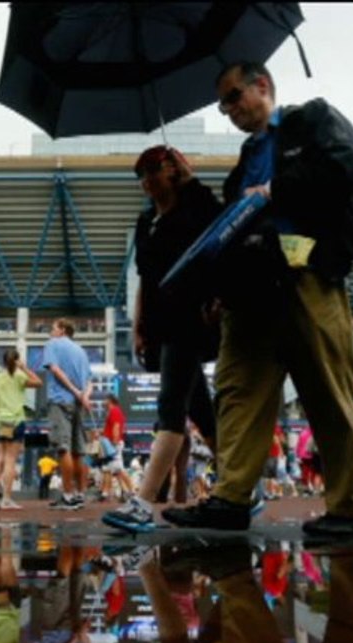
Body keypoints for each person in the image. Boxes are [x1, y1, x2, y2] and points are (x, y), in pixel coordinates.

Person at [164, 61, 353, 537]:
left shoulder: (311, 120)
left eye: (233, 96)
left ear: (262, 85)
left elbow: (349, 164)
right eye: (223, 105)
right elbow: (230, 228)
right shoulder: (242, 165)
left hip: (305, 272)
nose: (229, 110)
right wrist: (216, 289)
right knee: (238, 390)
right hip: (249, 289)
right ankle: (231, 499)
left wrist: (275, 190)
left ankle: (347, 509)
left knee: (326, 389)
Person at [102, 145, 223, 532]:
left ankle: (142, 503)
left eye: (155, 169)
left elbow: (221, 233)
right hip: (161, 325)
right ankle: (243, 487)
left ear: (173, 169)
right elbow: (145, 280)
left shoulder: (195, 208)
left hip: (190, 321)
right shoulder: (146, 222)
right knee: (202, 412)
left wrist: (191, 180)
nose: (148, 180)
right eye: (142, 174)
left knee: (170, 407)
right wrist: (139, 325)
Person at [41, 319, 92, 511]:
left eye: (53, 328)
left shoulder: (52, 344)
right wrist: (84, 396)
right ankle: (80, 494)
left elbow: (54, 369)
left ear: (62, 330)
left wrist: (74, 390)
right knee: (78, 451)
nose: (51, 331)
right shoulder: (81, 351)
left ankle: (68, 495)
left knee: (63, 449)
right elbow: (89, 381)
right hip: (79, 404)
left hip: (60, 400)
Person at [0, 348, 43, 510]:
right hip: (15, 421)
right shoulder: (20, 377)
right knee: (10, 461)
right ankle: (6, 499)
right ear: (17, 361)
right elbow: (39, 382)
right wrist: (24, 368)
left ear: (3, 361)